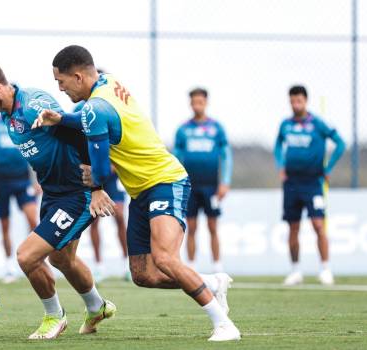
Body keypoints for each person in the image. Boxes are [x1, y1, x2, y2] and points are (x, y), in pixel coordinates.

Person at [34, 45, 241, 342]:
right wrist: (63, 119)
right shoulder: (109, 82)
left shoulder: (94, 108)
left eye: (61, 81)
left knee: (166, 259)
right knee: (144, 274)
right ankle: (211, 282)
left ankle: (224, 325)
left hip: (166, 181)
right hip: (141, 191)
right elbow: (95, 120)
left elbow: (101, 171)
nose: (60, 88)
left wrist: (94, 186)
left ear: (78, 77)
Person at [0, 61, 117, 339]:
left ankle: (55, 317)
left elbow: (79, 132)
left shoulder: (32, 105)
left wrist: (96, 186)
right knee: (61, 259)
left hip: (76, 194)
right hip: (53, 194)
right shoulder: (7, 116)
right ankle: (97, 307)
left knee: (27, 256)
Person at [274, 85, 345, 286]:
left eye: (299, 100)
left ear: (306, 101)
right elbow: (278, 145)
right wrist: (280, 166)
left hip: (313, 182)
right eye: (293, 100)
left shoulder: (317, 124)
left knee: (318, 225)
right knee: (293, 227)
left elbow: (340, 143)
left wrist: (328, 167)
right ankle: (296, 270)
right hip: (291, 183)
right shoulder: (285, 125)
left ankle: (325, 269)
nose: (296, 104)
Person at [173, 88, 232, 273]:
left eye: (201, 102)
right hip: (190, 187)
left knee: (213, 226)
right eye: (194, 102)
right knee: (191, 226)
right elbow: (177, 158)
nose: (197, 105)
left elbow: (226, 156)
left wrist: (225, 182)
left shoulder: (216, 128)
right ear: (190, 104)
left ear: (206, 102)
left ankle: (217, 266)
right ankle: (191, 266)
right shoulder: (183, 130)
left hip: (211, 186)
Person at [74, 99, 129, 282]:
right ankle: (98, 266)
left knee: (120, 216)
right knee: (94, 219)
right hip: (91, 176)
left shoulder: (110, 109)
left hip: (111, 177)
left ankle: (126, 262)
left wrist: (106, 168)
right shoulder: (78, 111)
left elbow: (119, 145)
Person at [0, 116, 39, 283]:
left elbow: (35, 152)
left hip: (22, 179)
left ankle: (35, 261)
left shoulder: (22, 123)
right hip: (1, 181)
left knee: (32, 219)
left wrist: (38, 180)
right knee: (5, 225)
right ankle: (9, 266)